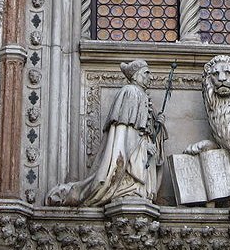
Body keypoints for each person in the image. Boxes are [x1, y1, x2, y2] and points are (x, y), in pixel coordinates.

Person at [47, 59, 167, 206]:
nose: (151, 77)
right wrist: (144, 148)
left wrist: (157, 124)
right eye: (146, 73)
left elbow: (145, 132)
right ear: (135, 76)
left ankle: (136, 190)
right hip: (135, 156)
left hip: (142, 156)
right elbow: (126, 136)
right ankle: (126, 188)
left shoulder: (143, 96)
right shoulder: (131, 92)